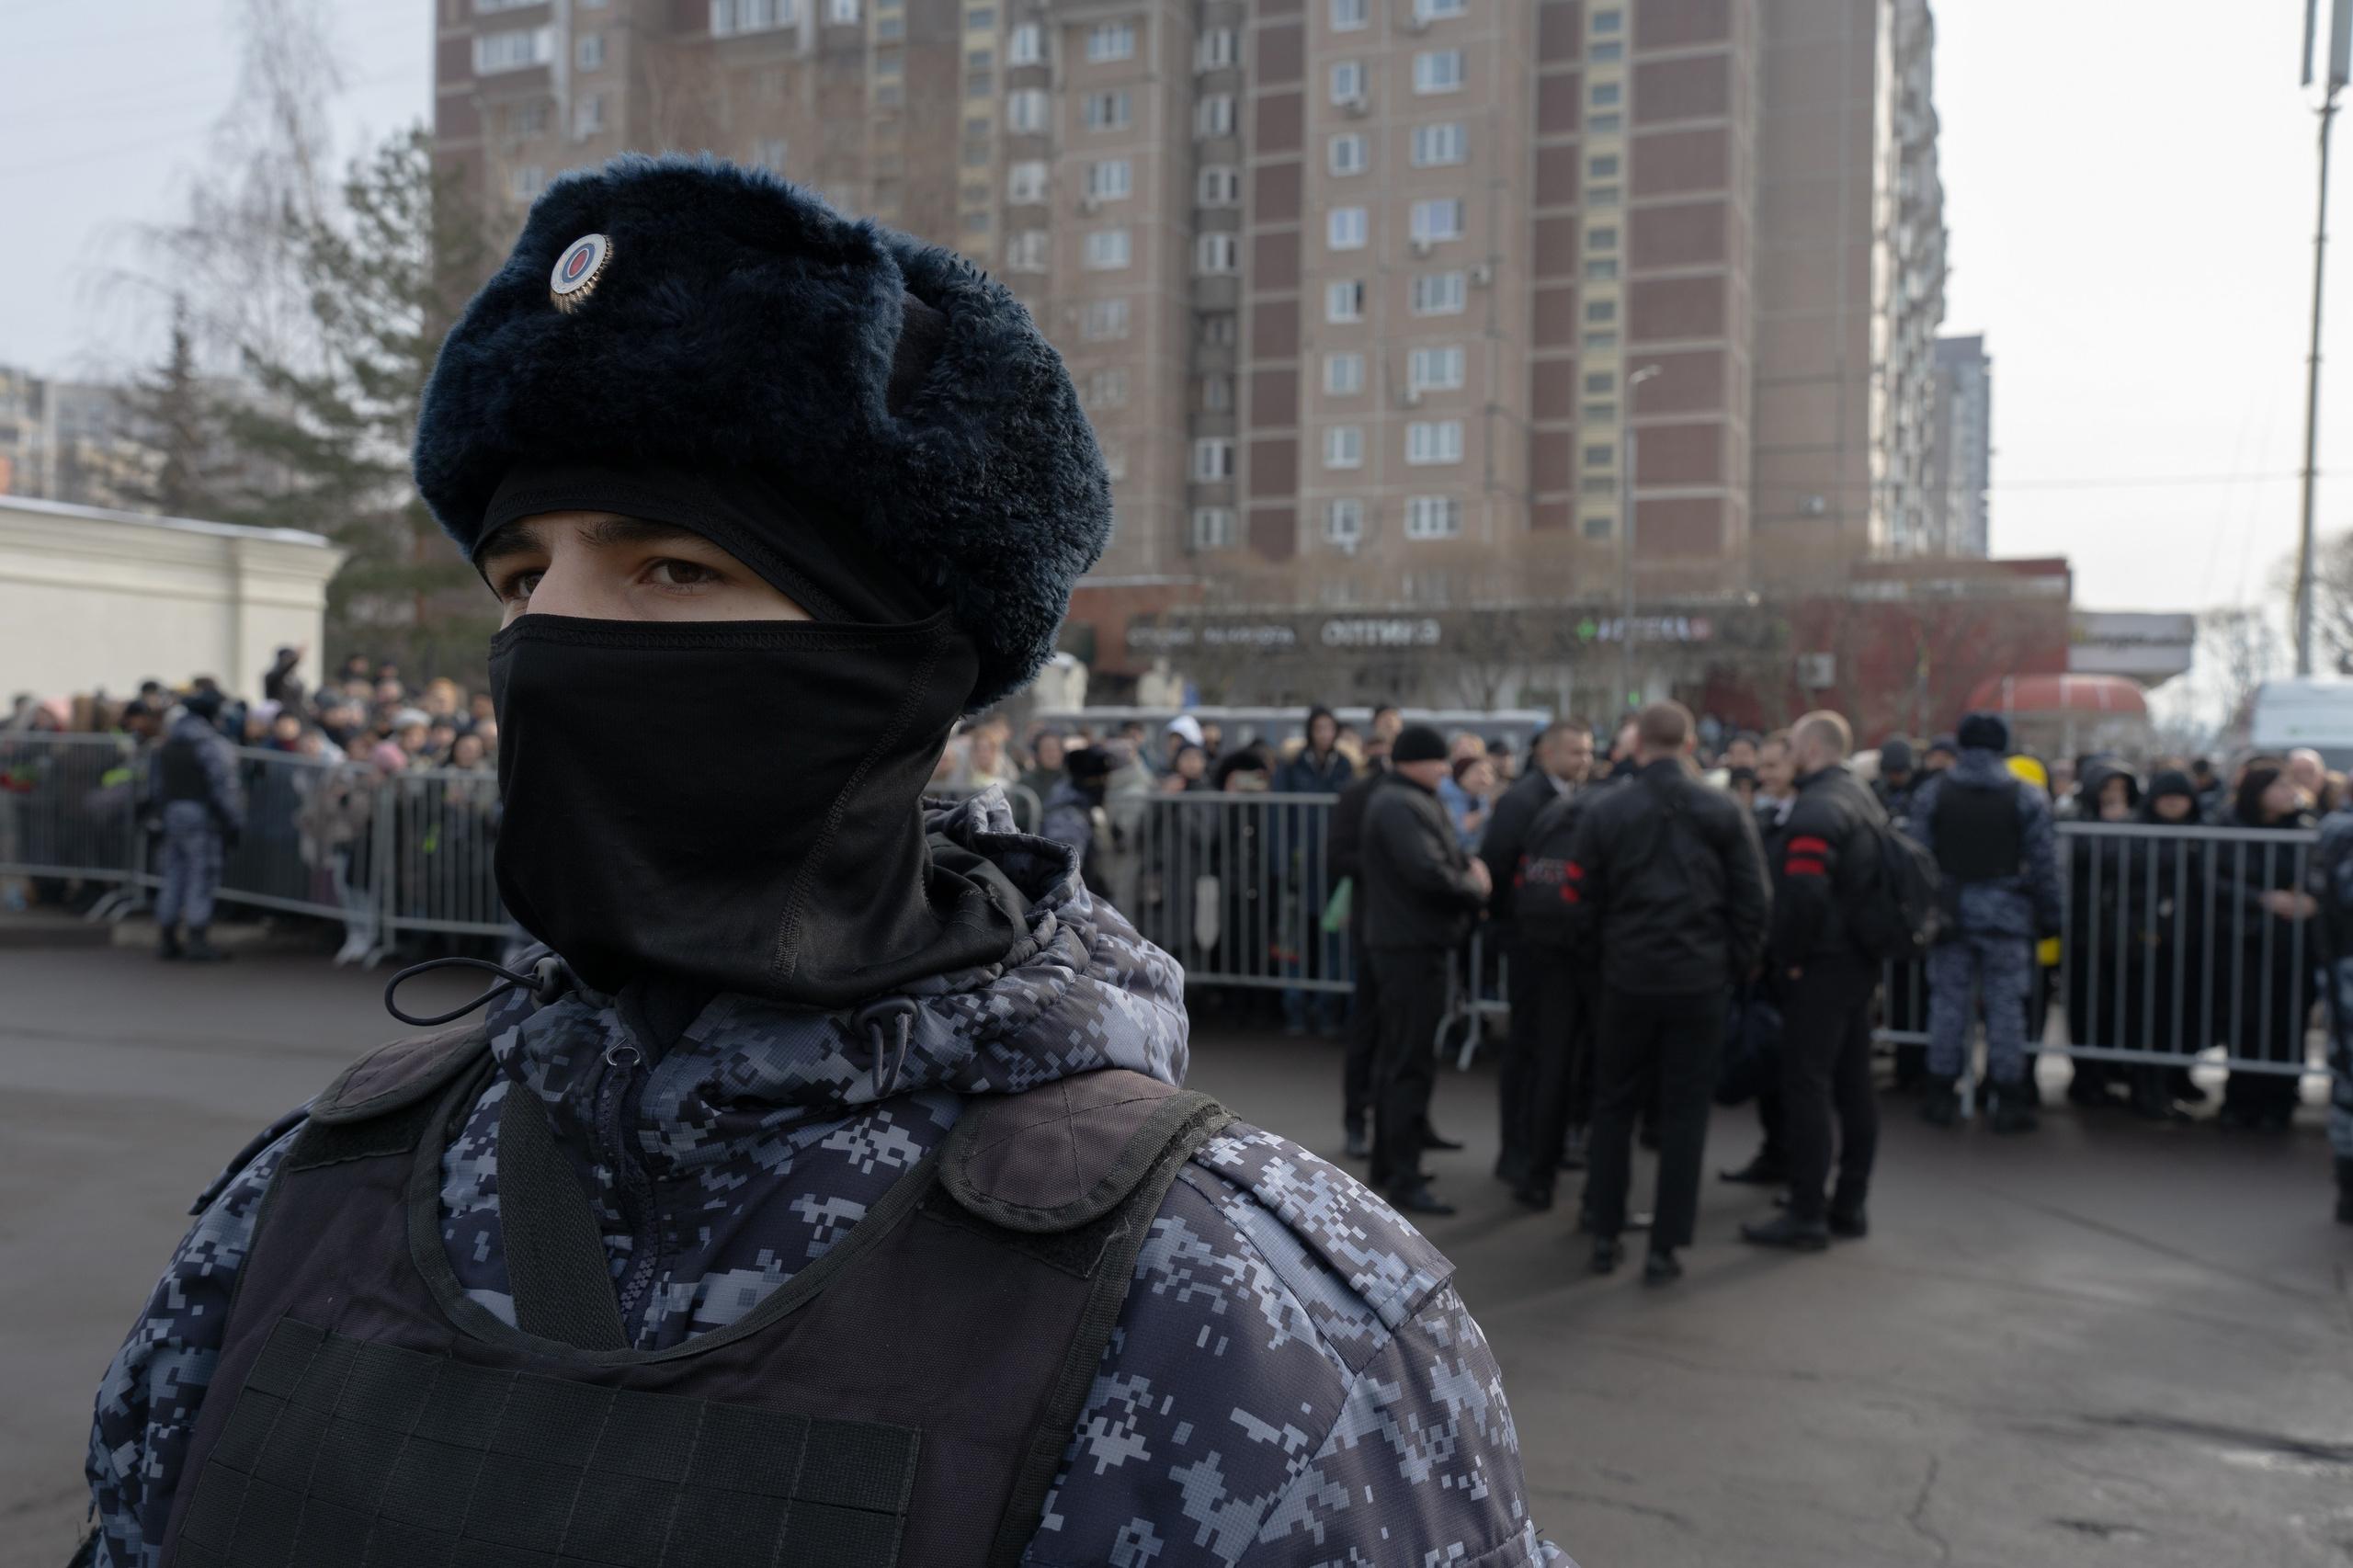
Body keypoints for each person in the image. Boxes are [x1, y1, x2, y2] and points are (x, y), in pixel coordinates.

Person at [80, 160, 1563, 1568]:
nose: (550, 636)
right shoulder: (313, 1188)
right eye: (521, 575)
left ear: (905, 667)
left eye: (672, 567)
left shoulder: (1235, 1301)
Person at [1558, 702, 1768, 1283]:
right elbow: (1753, 899)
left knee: (1613, 1104)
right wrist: (1732, 965)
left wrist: (1600, 962)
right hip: (1697, 980)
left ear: (1636, 745)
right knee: (1684, 1114)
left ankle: (1605, 1233)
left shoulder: (1607, 810)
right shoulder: (1722, 809)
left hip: (1627, 978)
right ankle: (1665, 1246)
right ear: (1690, 744)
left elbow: (1577, 898)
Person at [1903, 712, 2063, 1134]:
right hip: (2005, 916)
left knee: (1947, 1005)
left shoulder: (1935, 792)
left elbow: (1917, 857)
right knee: (2006, 1009)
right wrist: (2051, 915)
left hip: (1949, 915)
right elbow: (2045, 865)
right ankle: (2007, 1101)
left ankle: (1940, 1096)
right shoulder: (2025, 795)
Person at [1359, 724, 1494, 1213]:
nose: (1446, 770)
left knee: (1402, 1059)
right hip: (1408, 947)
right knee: (1408, 1064)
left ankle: (1391, 1163)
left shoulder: (1410, 798)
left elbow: (1442, 857)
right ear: (1416, 761)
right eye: (1440, 761)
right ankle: (1403, 1175)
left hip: (1409, 943)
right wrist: (1475, 887)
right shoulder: (1399, 803)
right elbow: (1428, 870)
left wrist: (1465, 869)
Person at [1480, 720, 1597, 1189]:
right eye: (1576, 752)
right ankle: (1516, 1147)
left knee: (1552, 1048)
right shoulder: (1524, 800)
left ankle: (1542, 1142)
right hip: (1530, 944)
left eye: (1588, 751)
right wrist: (1516, 925)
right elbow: (1497, 864)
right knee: (1527, 1045)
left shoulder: (1569, 796)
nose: (1585, 761)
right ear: (1547, 753)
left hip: (1556, 947)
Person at [2215, 759, 2318, 1130]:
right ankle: (2241, 1099)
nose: (2290, 791)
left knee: (2288, 1020)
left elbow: (2320, 875)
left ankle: (2280, 1100)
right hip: (2245, 937)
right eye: (2280, 785)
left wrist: (2310, 900)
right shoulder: (2228, 826)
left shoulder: (2307, 828)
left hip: (2292, 941)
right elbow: (2211, 877)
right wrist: (2260, 898)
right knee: (2246, 1020)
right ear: (2258, 792)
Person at [2062, 759, 2141, 1108]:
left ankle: (2113, 1069)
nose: (2114, 796)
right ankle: (2087, 1077)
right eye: (2108, 788)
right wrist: (2112, 827)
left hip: (2124, 932)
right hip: (2086, 931)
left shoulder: (2138, 823)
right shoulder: (2077, 821)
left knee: (2120, 1007)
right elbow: (2087, 858)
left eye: (2121, 790)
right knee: (2090, 1007)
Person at [150, 687, 244, 962]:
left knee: (174, 874)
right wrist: (234, 821)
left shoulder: (169, 743)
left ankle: (167, 938)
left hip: (172, 814)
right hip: (201, 817)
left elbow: (157, 786)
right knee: (200, 875)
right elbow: (223, 787)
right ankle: (197, 939)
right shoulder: (210, 744)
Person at [1042, 744, 1119, 903]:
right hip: (1082, 907)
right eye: (1098, 779)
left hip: (1096, 902)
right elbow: (1066, 878)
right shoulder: (1066, 817)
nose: (1104, 784)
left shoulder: (1087, 808)